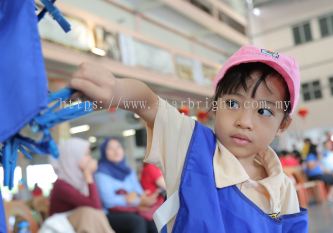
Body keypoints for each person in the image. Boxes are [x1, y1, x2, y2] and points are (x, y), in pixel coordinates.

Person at [69, 45, 308, 232]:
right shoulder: (190, 148)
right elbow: (151, 103)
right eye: (232, 103)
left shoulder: (283, 187)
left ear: (283, 125)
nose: (244, 121)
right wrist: (116, 91)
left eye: (263, 111)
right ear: (215, 107)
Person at [49, 137, 114, 233]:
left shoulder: (78, 180)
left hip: (79, 224)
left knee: (90, 212)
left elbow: (97, 207)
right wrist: (88, 175)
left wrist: (88, 176)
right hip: (61, 227)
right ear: (73, 157)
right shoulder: (61, 185)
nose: (90, 158)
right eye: (86, 154)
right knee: (87, 212)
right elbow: (95, 205)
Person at [95, 138, 158, 233]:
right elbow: (108, 201)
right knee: (138, 221)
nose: (116, 151)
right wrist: (127, 199)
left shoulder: (128, 170)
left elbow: (139, 191)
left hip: (133, 209)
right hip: (111, 213)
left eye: (118, 147)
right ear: (104, 152)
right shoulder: (101, 173)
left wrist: (135, 198)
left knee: (153, 221)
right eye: (110, 149)